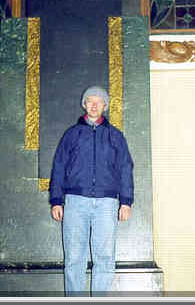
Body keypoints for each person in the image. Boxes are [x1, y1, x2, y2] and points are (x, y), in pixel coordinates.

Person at [49, 85, 134, 296]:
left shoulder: (116, 136)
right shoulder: (71, 135)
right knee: (74, 258)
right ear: (84, 104)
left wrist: (126, 201)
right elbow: (58, 167)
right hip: (75, 203)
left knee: (104, 258)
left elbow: (125, 168)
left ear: (104, 106)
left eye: (99, 101)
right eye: (90, 101)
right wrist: (56, 200)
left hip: (106, 205)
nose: (94, 105)